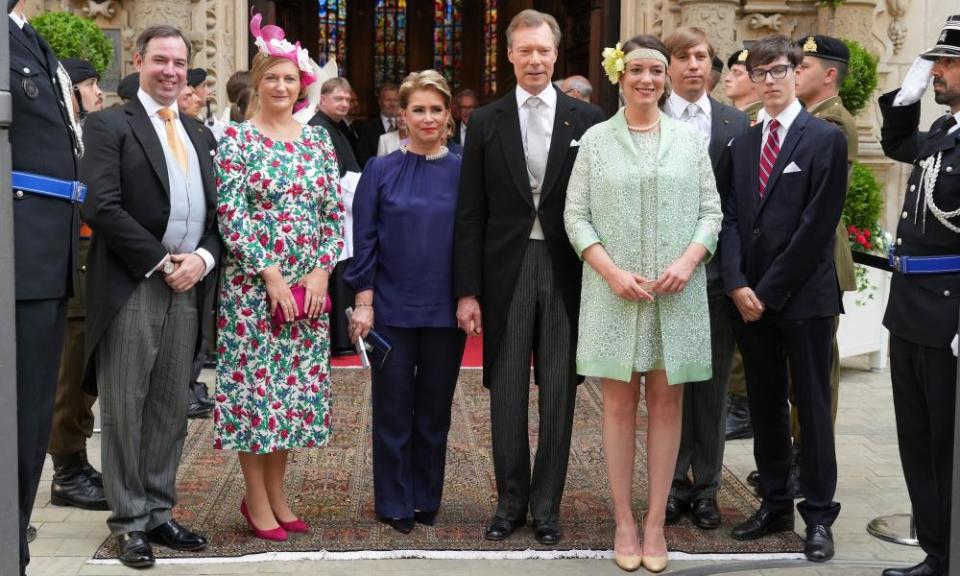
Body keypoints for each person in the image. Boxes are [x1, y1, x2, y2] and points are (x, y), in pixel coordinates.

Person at [565, 34, 722, 572]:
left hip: (675, 293)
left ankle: (655, 522)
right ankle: (623, 521)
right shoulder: (595, 140)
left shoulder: (688, 140)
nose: (647, 80)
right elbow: (576, 216)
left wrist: (687, 261)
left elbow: (711, 212)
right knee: (616, 404)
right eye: (636, 70)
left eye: (657, 70)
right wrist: (609, 270)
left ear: (668, 75)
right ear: (619, 75)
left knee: (667, 404)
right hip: (615, 294)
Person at [454, 8, 605, 546]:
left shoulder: (587, 119)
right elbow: (470, 210)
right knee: (508, 389)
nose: (536, 59)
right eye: (526, 50)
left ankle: (547, 507)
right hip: (507, 271)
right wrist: (467, 290)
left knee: (561, 391)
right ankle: (509, 500)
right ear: (511, 55)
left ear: (555, 53)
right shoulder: (487, 121)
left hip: (568, 269)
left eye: (544, 50)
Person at [81, 25, 220, 568]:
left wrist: (202, 260)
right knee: (126, 408)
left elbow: (219, 215)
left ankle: (159, 511)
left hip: (188, 284)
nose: (170, 71)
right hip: (133, 284)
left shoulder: (199, 133)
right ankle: (130, 522)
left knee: (169, 408)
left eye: (179, 63)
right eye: (160, 60)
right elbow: (101, 206)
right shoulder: (109, 124)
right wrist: (162, 260)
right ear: (139, 61)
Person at [213, 13, 344, 544]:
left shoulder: (317, 142)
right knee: (255, 396)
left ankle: (277, 494)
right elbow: (232, 215)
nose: (282, 86)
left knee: (290, 398)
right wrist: (269, 273)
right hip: (253, 291)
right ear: (258, 82)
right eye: (272, 77)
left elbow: (334, 214)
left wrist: (319, 271)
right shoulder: (237, 141)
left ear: (302, 84)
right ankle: (257, 501)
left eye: (290, 78)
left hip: (307, 292)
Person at [720, 35, 847, 563]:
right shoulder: (743, 144)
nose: (768, 81)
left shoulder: (824, 139)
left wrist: (767, 292)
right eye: (759, 72)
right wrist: (735, 283)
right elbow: (727, 217)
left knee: (810, 408)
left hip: (804, 299)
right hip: (749, 299)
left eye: (778, 70)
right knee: (765, 406)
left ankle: (817, 514)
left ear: (797, 73)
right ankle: (774, 503)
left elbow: (818, 225)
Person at [345, 69, 466, 534]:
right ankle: (393, 499)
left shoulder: (463, 169)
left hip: (445, 309)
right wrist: (365, 302)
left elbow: (472, 237)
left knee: (434, 411)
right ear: (403, 114)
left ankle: (425, 496)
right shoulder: (379, 170)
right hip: (390, 309)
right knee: (393, 410)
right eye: (419, 109)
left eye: (437, 109)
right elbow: (365, 238)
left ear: (448, 114)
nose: (428, 117)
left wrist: (470, 297)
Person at [877, 15, 960, 576]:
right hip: (911, 308)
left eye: (949, 63)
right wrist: (909, 90)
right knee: (918, 440)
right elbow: (898, 142)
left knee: (946, 446)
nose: (939, 73)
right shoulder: (944, 132)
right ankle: (936, 551)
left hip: (949, 312)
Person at [661, 26, 749, 531]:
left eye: (702, 57)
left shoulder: (736, 122)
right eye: (684, 57)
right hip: (663, 275)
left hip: (715, 277)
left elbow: (737, 206)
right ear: (669, 65)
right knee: (671, 385)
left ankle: (708, 487)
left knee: (712, 388)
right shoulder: (648, 115)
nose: (694, 65)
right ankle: (673, 484)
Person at [9, 1, 85, 572]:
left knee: (31, 411)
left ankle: (13, 534)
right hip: (16, 252)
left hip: (44, 253)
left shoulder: (26, 35)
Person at [46, 57, 107, 513]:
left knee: (86, 371)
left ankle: (77, 460)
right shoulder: (59, 138)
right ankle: (65, 471)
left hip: (95, 262)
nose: (97, 92)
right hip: (73, 261)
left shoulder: (87, 133)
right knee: (70, 373)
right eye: (88, 85)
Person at [722, 47, 761, 446]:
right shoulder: (735, 121)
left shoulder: (752, 123)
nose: (729, 78)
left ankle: (744, 406)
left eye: (737, 71)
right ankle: (738, 403)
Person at [309, 77, 362, 358]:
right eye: (338, 99)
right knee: (337, 272)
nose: (344, 104)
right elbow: (328, 177)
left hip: (348, 209)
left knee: (345, 271)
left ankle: (345, 336)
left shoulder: (339, 128)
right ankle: (338, 339)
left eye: (347, 99)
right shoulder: (318, 128)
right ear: (323, 99)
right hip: (334, 211)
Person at [357, 82, 400, 166]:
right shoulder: (367, 128)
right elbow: (363, 158)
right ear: (380, 101)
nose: (392, 104)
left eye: (395, 100)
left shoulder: (406, 126)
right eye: (388, 100)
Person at [724, 48, 763, 122]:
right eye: (730, 72)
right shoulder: (730, 116)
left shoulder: (762, 119)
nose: (727, 78)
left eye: (737, 72)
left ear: (756, 78)